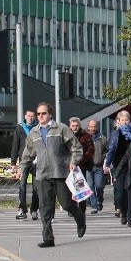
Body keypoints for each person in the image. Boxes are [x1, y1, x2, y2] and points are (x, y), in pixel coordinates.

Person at [20, 102, 86, 248]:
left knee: (66, 203)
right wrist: (21, 169)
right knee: (45, 207)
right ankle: (48, 238)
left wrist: (74, 161)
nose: (41, 116)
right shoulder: (34, 133)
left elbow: (76, 148)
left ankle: (80, 219)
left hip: (60, 172)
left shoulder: (61, 128)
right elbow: (27, 154)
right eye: (38, 114)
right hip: (42, 174)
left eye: (43, 113)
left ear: (50, 114)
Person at [104, 110, 131, 225]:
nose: (125, 122)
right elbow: (112, 148)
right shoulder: (115, 133)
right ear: (118, 121)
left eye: (127, 120)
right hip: (118, 165)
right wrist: (107, 163)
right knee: (120, 192)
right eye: (123, 120)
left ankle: (130, 216)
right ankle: (123, 211)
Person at [11, 109, 39, 220]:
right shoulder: (19, 127)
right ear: (25, 116)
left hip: (36, 161)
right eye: (28, 116)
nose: (30, 118)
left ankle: (34, 210)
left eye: (32, 116)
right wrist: (13, 162)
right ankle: (22, 209)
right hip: (23, 160)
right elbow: (15, 144)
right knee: (22, 186)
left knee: (36, 187)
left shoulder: (38, 127)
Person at [69, 117, 95, 214]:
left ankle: (82, 209)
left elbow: (91, 149)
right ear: (70, 126)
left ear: (80, 126)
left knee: (81, 187)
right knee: (71, 188)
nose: (75, 128)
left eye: (77, 126)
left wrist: (82, 159)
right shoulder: (66, 136)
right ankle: (72, 208)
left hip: (81, 166)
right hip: (68, 166)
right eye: (73, 126)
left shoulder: (86, 136)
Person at [86, 119, 108, 214]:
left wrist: (104, 159)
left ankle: (100, 200)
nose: (92, 128)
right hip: (88, 167)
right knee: (90, 186)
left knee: (99, 186)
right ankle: (94, 206)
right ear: (88, 127)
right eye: (91, 126)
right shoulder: (85, 138)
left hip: (98, 166)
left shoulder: (102, 138)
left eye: (94, 126)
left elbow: (107, 151)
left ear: (97, 127)